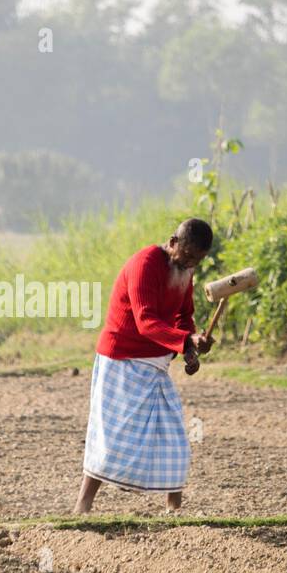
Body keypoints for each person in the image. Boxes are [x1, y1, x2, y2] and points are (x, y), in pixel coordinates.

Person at [75, 219, 215, 514]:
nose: (190, 262)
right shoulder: (145, 263)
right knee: (112, 436)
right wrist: (187, 340)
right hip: (122, 358)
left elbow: (184, 317)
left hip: (155, 363)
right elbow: (146, 321)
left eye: (197, 260)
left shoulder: (184, 271)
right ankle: (83, 505)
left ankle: (174, 510)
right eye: (187, 255)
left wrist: (192, 349)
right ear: (173, 242)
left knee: (174, 435)